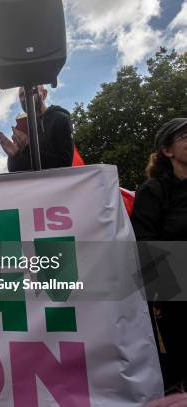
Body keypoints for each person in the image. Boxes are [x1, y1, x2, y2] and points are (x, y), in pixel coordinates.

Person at [131, 118, 187, 390]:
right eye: (185, 136)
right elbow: (144, 245)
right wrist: (166, 302)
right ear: (167, 151)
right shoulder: (153, 192)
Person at [0, 85, 73, 171]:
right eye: (22, 95)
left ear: (44, 94)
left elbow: (64, 163)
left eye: (31, 91)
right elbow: (14, 170)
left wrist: (27, 147)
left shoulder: (60, 118)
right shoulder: (22, 128)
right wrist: (14, 155)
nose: (25, 98)